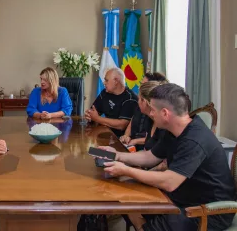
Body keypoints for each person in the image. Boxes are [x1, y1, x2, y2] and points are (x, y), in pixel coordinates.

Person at [99, 83, 235, 231]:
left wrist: (126, 171)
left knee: (139, 212)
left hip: (208, 211)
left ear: (165, 113)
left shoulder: (194, 139)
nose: (150, 114)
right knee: (129, 202)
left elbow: (170, 182)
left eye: (152, 109)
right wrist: (116, 155)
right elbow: (150, 156)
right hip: (183, 198)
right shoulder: (174, 130)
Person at [120, 73, 168, 150]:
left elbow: (152, 156)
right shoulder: (141, 108)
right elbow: (132, 122)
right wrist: (126, 135)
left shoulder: (161, 124)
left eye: (143, 85)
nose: (139, 87)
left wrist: (135, 141)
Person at [85, 67, 138, 137]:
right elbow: (93, 111)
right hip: (105, 134)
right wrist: (89, 115)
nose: (104, 83)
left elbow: (121, 125)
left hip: (120, 140)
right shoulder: (105, 93)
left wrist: (97, 118)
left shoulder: (130, 98)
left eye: (106, 80)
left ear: (116, 81)